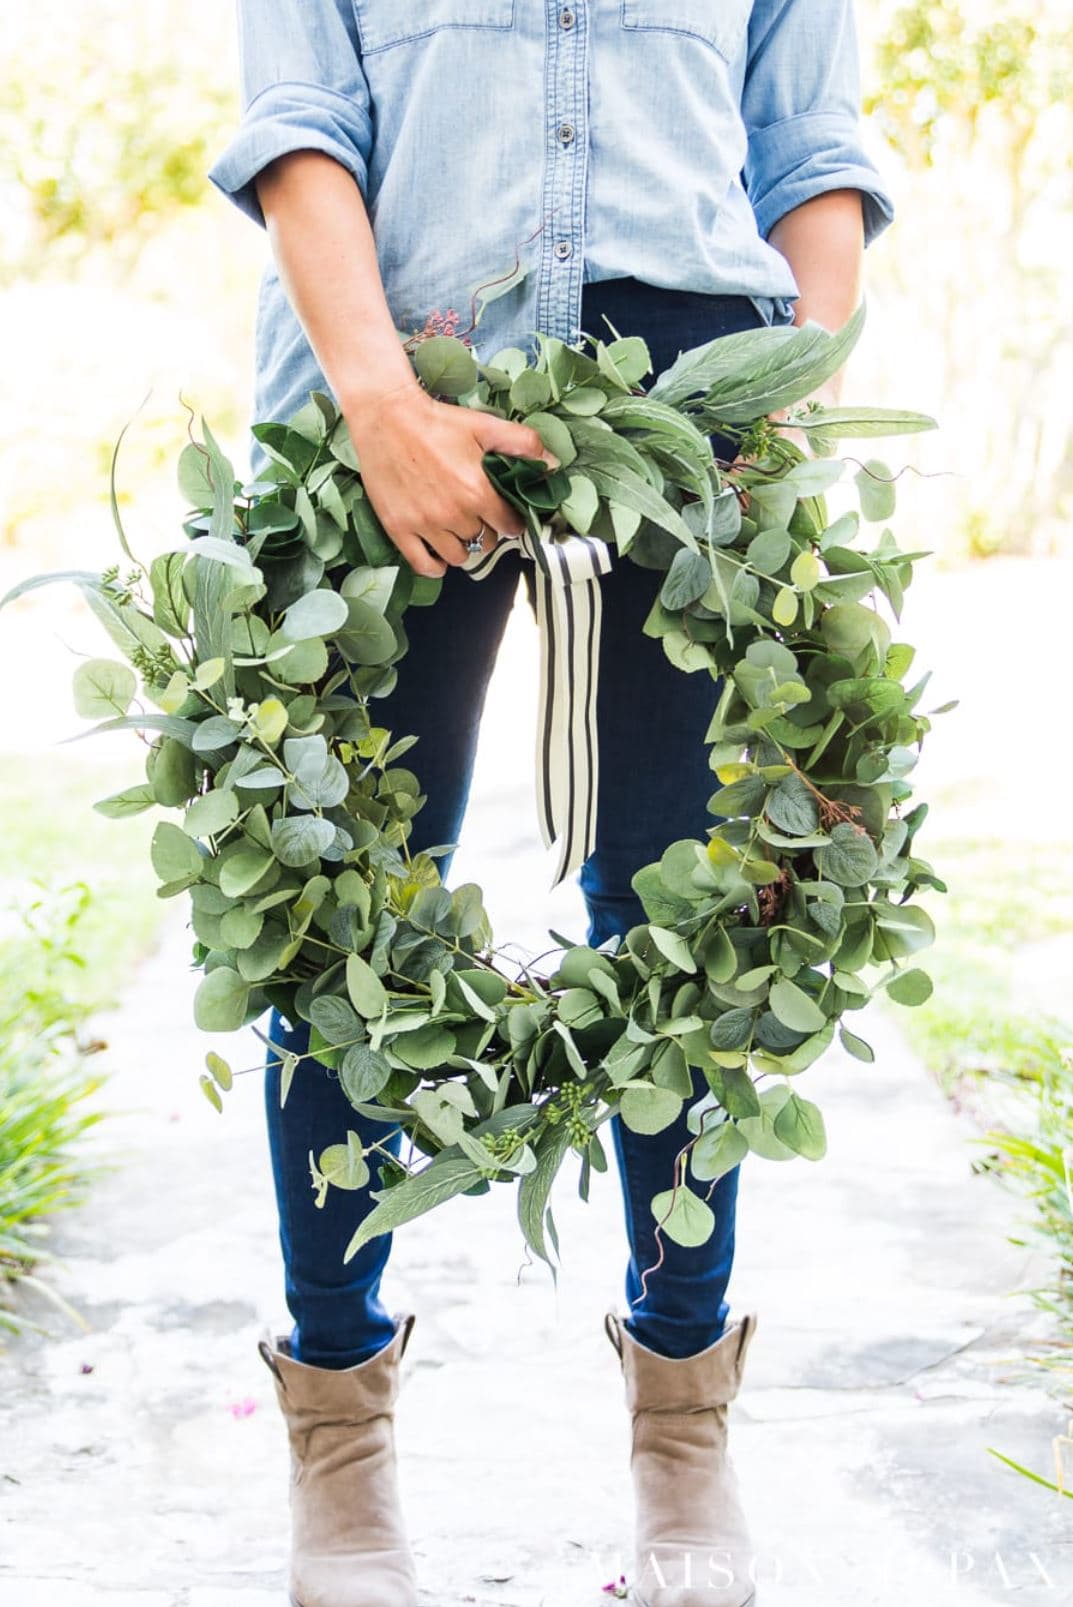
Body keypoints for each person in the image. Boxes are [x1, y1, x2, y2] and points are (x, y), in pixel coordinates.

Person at [207, 5, 894, 1604]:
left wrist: (784, 398)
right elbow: (299, 120)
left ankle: (681, 1426)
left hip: (695, 414)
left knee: (695, 927)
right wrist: (376, 403)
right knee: (340, 919)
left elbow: (810, 147)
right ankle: (340, 1435)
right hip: (393, 383)